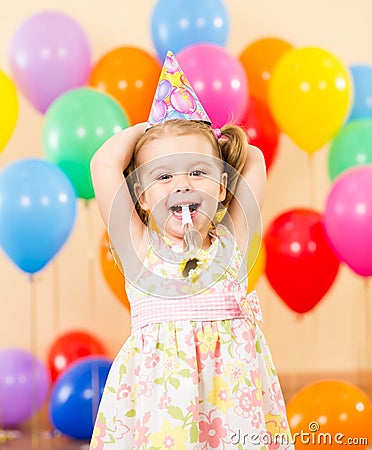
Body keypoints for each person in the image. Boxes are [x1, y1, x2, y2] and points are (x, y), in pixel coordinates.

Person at [89, 52, 293, 450]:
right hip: (162, 410)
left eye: (197, 172)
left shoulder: (232, 241)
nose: (182, 185)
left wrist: (215, 142)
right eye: (164, 176)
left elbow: (254, 158)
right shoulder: (138, 247)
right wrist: (152, 129)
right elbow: (103, 163)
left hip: (233, 403)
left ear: (221, 188)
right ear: (143, 197)